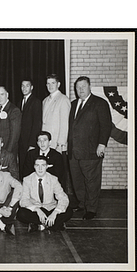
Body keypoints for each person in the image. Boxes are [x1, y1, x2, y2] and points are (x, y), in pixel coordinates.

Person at [68, 76, 112, 219]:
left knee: (91, 181)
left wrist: (102, 144)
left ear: (89, 87)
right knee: (77, 181)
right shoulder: (73, 104)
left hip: (91, 151)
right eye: (78, 87)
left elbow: (106, 126)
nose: (80, 89)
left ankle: (91, 209)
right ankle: (82, 204)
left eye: (83, 86)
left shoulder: (99, 103)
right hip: (74, 152)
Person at [17, 156, 73, 232]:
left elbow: (63, 198)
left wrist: (55, 213)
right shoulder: (27, 179)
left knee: (69, 211)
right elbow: (23, 200)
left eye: (43, 165)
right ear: (34, 166)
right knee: (21, 214)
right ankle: (54, 225)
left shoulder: (53, 179)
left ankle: (39, 225)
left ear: (47, 166)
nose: (40, 169)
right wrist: (37, 210)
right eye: (37, 165)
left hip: (50, 208)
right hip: (36, 210)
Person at [18, 79, 42, 179]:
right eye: (23, 86)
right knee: (22, 168)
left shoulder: (36, 102)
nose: (24, 88)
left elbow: (37, 124)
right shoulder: (20, 101)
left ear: (31, 87)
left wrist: (32, 144)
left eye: (27, 86)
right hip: (21, 142)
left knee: (29, 170)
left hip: (30, 143)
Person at [42, 74, 71, 153]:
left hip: (56, 144)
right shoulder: (45, 101)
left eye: (53, 83)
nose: (50, 86)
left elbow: (64, 124)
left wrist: (60, 144)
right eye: (48, 83)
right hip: (45, 143)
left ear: (58, 84)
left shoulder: (63, 99)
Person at [0, 86, 21, 158]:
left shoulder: (14, 110)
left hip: (7, 150)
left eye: (2, 94)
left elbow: (14, 135)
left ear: (7, 95)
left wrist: (7, 152)